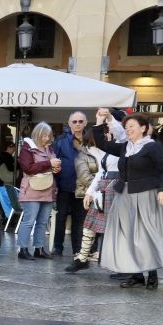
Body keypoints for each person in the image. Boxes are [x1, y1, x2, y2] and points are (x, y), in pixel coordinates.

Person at [91, 110, 163, 289]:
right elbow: (103, 144)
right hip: (124, 195)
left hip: (145, 195)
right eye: (126, 127)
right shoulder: (124, 147)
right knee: (127, 234)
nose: (128, 130)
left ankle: (152, 274)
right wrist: (98, 121)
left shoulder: (152, 146)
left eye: (131, 127)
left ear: (143, 128)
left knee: (146, 235)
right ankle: (136, 275)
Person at [66, 120, 122, 273]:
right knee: (89, 224)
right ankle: (82, 258)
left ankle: (122, 265)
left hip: (116, 189)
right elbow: (101, 172)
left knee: (118, 229)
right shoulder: (105, 150)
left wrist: (109, 119)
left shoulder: (122, 144)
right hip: (105, 188)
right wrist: (90, 192)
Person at [16, 122, 58, 259]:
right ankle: (23, 249)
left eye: (49, 135)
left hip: (48, 189)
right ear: (38, 134)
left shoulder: (49, 149)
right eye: (44, 135)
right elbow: (28, 168)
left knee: (43, 221)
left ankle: (39, 249)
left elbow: (49, 167)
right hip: (31, 190)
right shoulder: (27, 148)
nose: (47, 138)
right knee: (29, 221)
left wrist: (56, 168)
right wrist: (49, 164)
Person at [51, 111, 89, 256]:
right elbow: (53, 161)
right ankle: (58, 247)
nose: (78, 124)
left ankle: (77, 249)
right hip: (64, 186)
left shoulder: (90, 140)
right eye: (75, 121)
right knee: (60, 218)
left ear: (85, 123)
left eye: (80, 121)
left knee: (79, 221)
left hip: (83, 187)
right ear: (69, 123)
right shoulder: (60, 141)